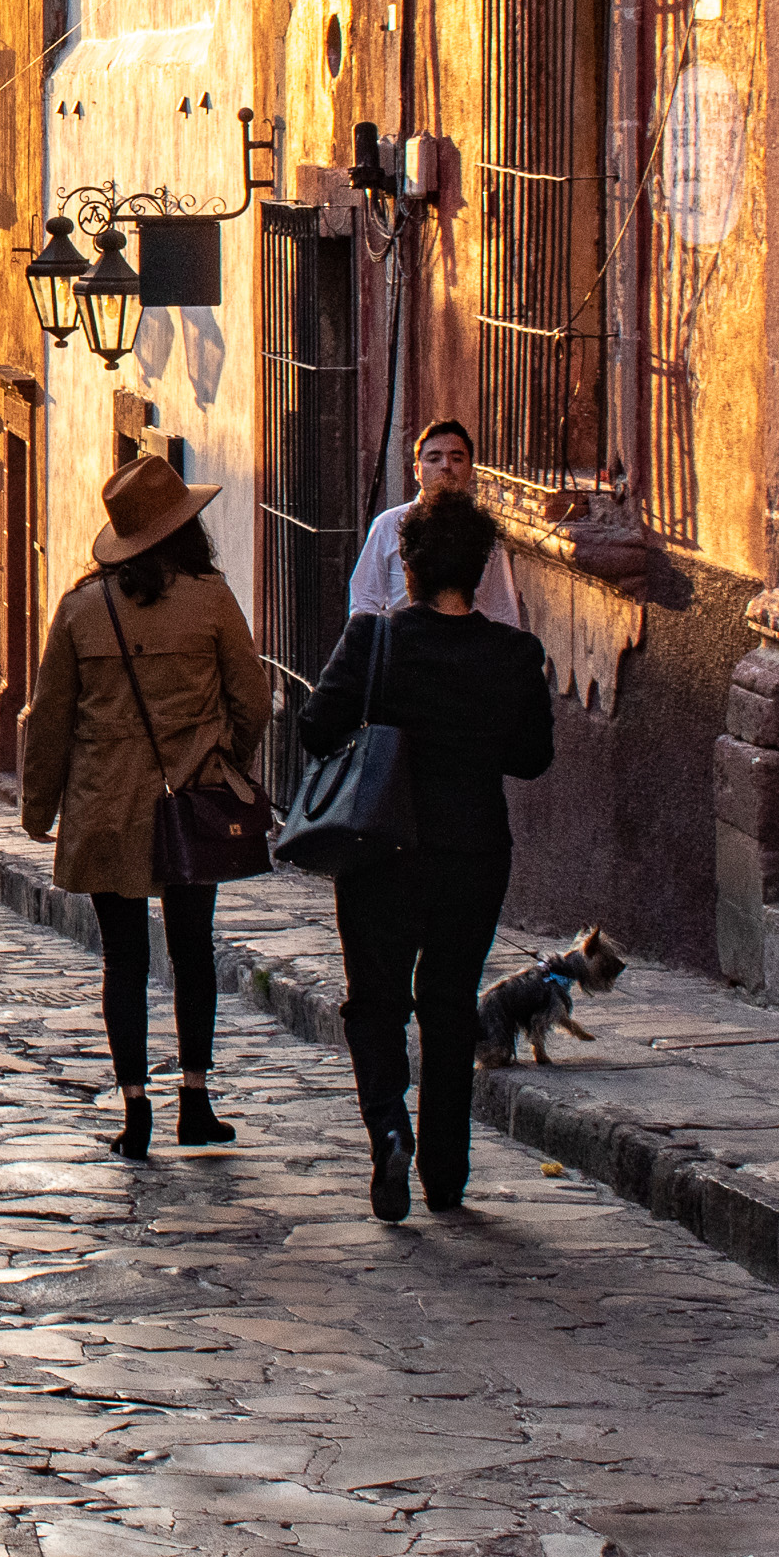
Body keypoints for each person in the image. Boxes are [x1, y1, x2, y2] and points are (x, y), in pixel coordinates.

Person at [302, 491, 557, 1222]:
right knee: (449, 1004)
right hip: (474, 852)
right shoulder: (514, 655)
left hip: (381, 850)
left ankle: (388, 1125)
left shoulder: (372, 641)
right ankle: (446, 1172)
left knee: (375, 999)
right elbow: (533, 757)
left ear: (406, 564)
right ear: (480, 569)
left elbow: (317, 728)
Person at [21, 456, 274, 1160]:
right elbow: (252, 700)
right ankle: (196, 1098)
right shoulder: (213, 598)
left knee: (123, 960)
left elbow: (50, 720)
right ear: (185, 529)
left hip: (105, 806)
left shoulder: (80, 609)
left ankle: (136, 1110)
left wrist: (38, 807)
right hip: (191, 800)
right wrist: (227, 763)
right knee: (194, 950)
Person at [345, 419, 527, 629]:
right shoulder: (388, 525)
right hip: (404, 647)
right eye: (434, 458)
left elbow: (502, 608)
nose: (446, 466)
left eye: (457, 459)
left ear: (470, 470)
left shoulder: (484, 532)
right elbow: (364, 600)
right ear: (417, 471)